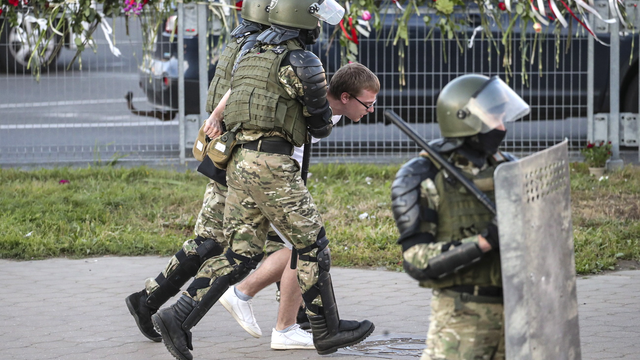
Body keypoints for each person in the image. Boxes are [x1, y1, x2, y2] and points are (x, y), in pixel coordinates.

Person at [151, 1, 377, 359]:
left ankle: (177, 318)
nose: (318, 25)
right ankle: (326, 329)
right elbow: (319, 124)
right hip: (272, 163)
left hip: (240, 160)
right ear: (304, 19)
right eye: (316, 17)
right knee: (312, 245)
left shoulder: (253, 52)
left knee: (241, 253)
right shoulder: (301, 61)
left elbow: (233, 97)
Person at [214, 62, 380, 350]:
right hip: (270, 176)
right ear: (345, 98)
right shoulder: (309, 95)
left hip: (282, 178)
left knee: (298, 246)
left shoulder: (334, 111)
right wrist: (215, 116)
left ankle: (256, 304)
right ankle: (273, 318)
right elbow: (244, 85)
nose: (371, 110)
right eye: (368, 103)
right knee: (307, 246)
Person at [390, 74, 530, 360]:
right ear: (465, 118)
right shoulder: (423, 176)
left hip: (519, 315)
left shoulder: (508, 168)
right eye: (495, 117)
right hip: (461, 322)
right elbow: (416, 260)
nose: (503, 127)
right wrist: (486, 241)